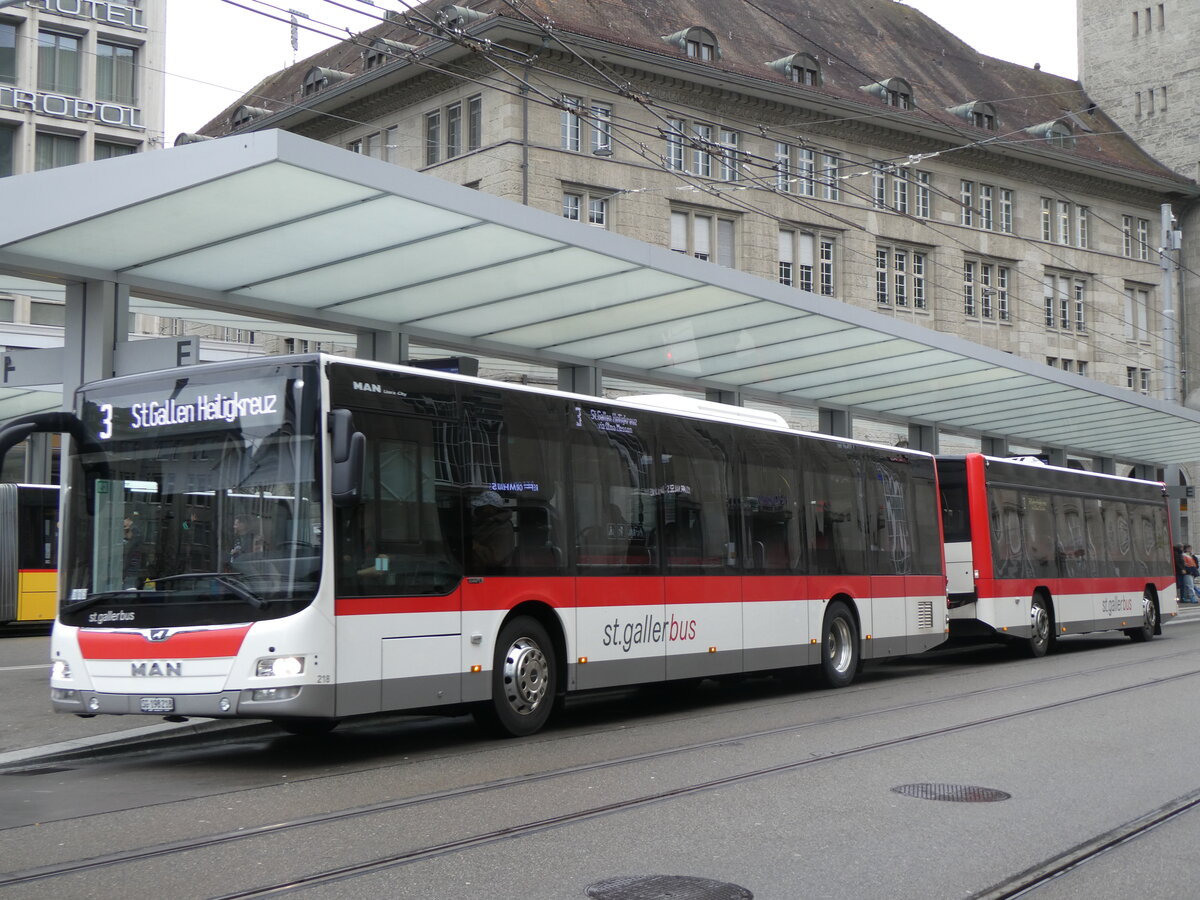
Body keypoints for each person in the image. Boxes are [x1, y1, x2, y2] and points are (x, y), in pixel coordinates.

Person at [470, 490, 514, 570]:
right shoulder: (484, 522)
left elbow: (495, 558)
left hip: (495, 575)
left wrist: (475, 546)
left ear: (492, 508)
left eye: (483, 506)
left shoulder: (504, 527)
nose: (479, 509)